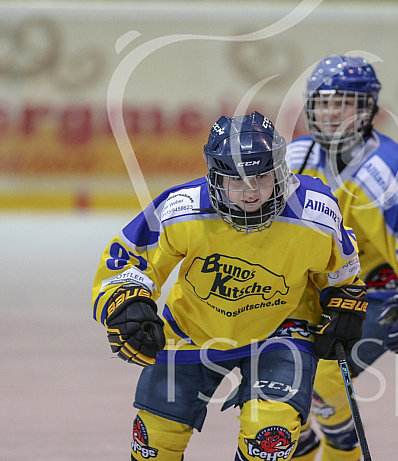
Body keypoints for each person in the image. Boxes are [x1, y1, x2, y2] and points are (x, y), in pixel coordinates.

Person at [91, 111, 368, 461]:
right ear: (215, 177)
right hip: (194, 327)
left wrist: (345, 304)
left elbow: (341, 274)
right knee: (155, 445)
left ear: (280, 171)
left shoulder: (316, 212)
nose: (249, 192)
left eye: (262, 177)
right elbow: (127, 259)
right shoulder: (181, 208)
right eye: (235, 180)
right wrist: (126, 303)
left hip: (282, 328)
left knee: (270, 435)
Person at [286, 55, 398, 460]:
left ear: (368, 109)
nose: (329, 113)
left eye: (342, 103)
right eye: (322, 103)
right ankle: (304, 439)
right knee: (270, 365)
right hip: (320, 289)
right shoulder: (293, 158)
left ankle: (341, 442)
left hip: (379, 290)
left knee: (320, 369)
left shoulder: (391, 167)